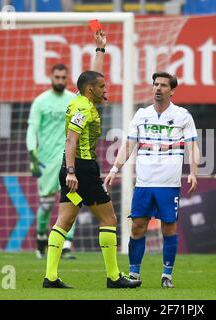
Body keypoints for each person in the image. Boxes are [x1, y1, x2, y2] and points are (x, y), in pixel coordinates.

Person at [42, 29, 141, 289]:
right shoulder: (83, 108)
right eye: (102, 87)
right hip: (81, 170)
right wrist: (74, 171)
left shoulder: (81, 98)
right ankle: (113, 277)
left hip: (71, 168)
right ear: (90, 91)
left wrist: (100, 50)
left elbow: (91, 77)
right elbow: (71, 140)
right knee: (108, 219)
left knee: (65, 220)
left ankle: (50, 277)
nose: (105, 89)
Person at [104, 72, 200, 288]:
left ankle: (167, 275)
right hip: (144, 184)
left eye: (163, 85)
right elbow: (127, 146)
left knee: (169, 228)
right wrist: (114, 169)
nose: (158, 88)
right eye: (155, 84)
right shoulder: (141, 115)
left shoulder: (183, 116)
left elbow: (193, 146)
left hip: (169, 184)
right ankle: (134, 273)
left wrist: (193, 171)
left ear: (172, 90)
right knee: (137, 227)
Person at [26, 63, 78, 260]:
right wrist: (32, 152)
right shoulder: (41, 102)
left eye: (64, 78)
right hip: (46, 160)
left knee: (72, 201)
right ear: (51, 78)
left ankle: (66, 245)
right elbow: (32, 129)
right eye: (57, 77)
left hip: (68, 159)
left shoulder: (73, 100)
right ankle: (41, 235)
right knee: (47, 205)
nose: (60, 81)